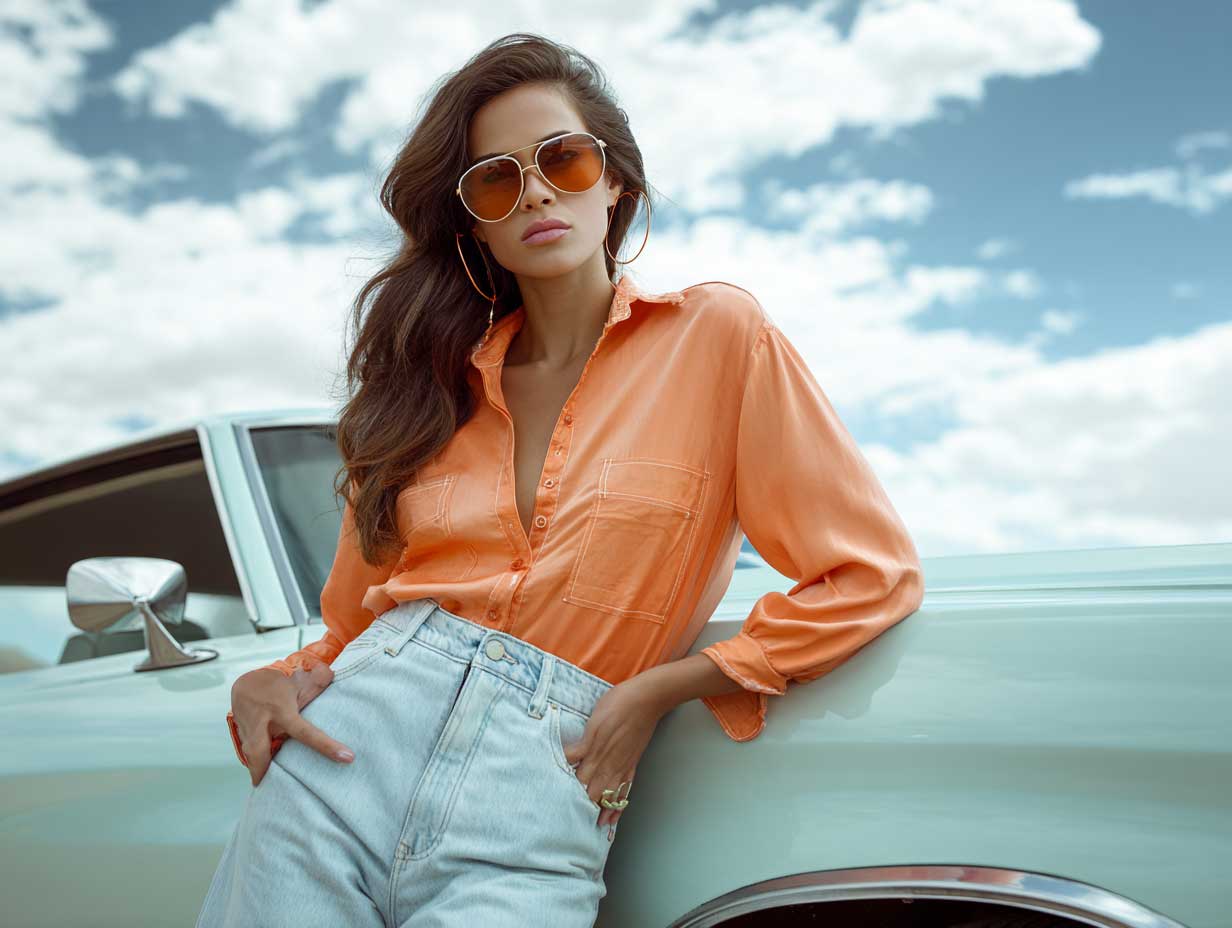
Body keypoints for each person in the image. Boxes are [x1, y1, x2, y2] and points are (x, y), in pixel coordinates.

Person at [197, 31, 925, 928]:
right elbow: (352, 624)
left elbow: (867, 576)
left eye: (563, 159)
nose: (535, 189)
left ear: (614, 180)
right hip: (338, 767)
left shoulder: (717, 337)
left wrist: (663, 688)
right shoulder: (424, 396)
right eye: (495, 179)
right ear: (476, 226)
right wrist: (268, 678)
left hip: (539, 800)